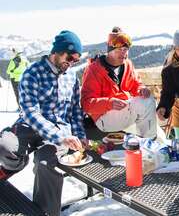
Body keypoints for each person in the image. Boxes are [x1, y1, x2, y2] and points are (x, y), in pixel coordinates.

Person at [0, 30, 87, 216]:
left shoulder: (71, 77)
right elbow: (31, 112)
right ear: (56, 51)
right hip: (31, 127)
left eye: (76, 60)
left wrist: (80, 135)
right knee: (4, 145)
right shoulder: (32, 73)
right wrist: (61, 137)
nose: (71, 63)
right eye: (69, 57)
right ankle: (13, 165)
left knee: (45, 163)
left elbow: (75, 111)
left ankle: (46, 212)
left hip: (58, 131)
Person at [81, 27, 157, 138]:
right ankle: (149, 142)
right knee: (146, 103)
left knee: (147, 99)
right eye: (118, 51)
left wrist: (141, 90)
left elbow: (136, 84)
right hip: (104, 118)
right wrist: (109, 102)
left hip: (123, 112)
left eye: (125, 50)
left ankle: (146, 141)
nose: (123, 54)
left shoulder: (127, 64)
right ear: (110, 51)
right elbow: (86, 104)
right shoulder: (94, 69)